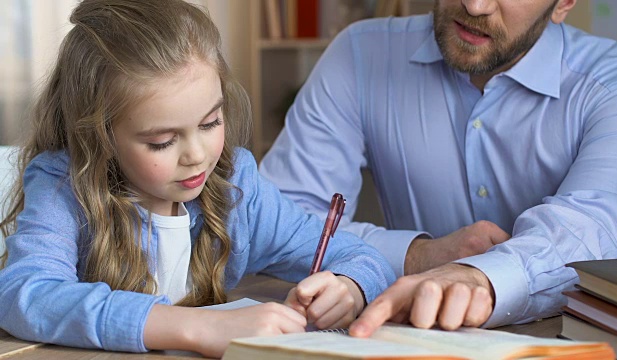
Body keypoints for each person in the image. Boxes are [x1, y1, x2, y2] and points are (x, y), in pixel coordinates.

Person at [0, 0, 395, 357]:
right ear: (99, 135)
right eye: (162, 141)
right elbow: (25, 295)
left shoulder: (236, 186)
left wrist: (349, 287)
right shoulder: (63, 185)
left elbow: (361, 256)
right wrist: (195, 327)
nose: (197, 156)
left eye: (211, 122)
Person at [259, 0, 617, 335]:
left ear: (563, 3)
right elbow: (275, 225)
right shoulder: (360, 54)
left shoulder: (616, 89)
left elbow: (591, 236)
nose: (475, 6)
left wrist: (480, 279)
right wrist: (416, 257)